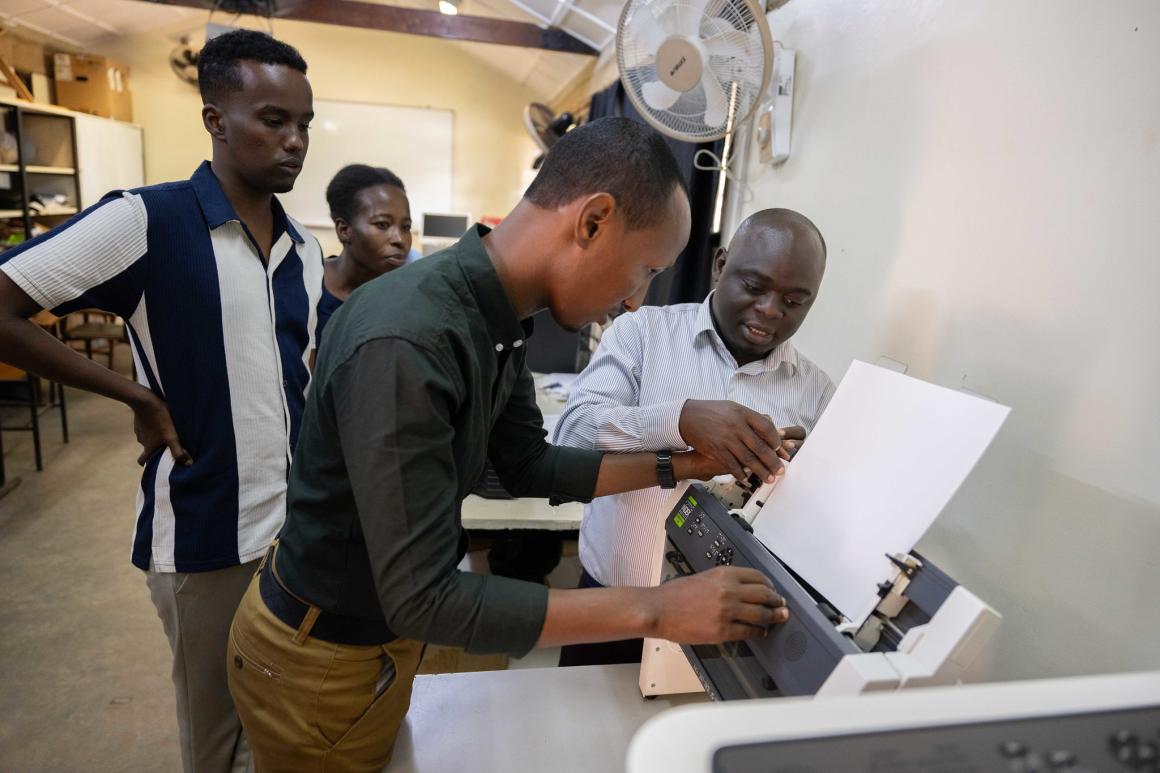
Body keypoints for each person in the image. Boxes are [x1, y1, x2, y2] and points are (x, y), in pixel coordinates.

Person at [227, 118, 794, 771]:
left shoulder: (496, 317)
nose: (637, 300)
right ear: (592, 222)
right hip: (323, 653)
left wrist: (683, 463)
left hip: (394, 627)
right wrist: (658, 609)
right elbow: (424, 596)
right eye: (645, 269)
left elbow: (527, 464)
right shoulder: (409, 338)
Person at [0, 30, 320, 773]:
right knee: (217, 739)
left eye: (304, 123)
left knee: (280, 721)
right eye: (273, 120)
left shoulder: (303, 249)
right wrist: (133, 393)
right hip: (205, 535)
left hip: (292, 535)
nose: (294, 141)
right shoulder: (148, 221)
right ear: (214, 118)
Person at [553, 208, 835, 667]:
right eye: (754, 287)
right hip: (614, 612)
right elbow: (572, 438)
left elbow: (819, 524)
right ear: (721, 265)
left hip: (733, 633)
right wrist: (680, 420)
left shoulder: (818, 391)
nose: (769, 310)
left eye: (794, 300)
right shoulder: (641, 333)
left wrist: (798, 477)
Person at [316, 164, 412, 341]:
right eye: (382, 225)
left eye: (406, 227)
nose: (399, 239)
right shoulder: (304, 284)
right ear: (344, 230)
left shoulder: (405, 301)